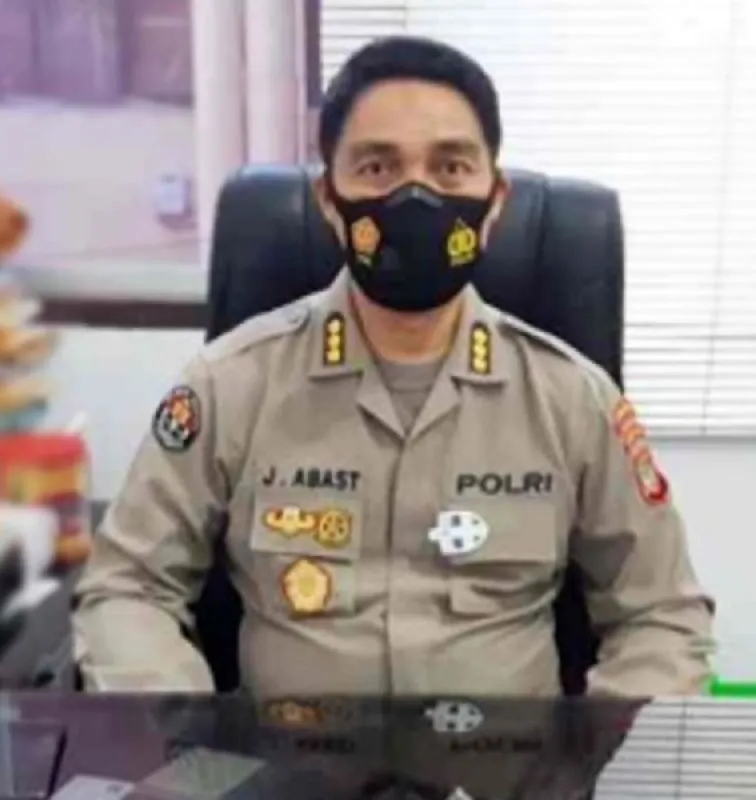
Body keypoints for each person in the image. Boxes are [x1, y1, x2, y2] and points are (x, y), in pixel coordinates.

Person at [74, 36, 715, 698]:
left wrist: (602, 749)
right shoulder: (230, 384)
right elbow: (127, 587)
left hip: (506, 760)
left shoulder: (572, 398)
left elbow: (662, 615)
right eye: (378, 168)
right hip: (288, 756)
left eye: (451, 168)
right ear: (330, 201)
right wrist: (182, 735)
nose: (416, 197)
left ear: (494, 200)